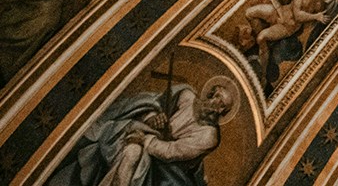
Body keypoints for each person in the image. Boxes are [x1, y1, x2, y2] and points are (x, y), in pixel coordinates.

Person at [47, 78, 236, 186]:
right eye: (216, 97)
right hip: (147, 136)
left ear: (223, 112)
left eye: (222, 105)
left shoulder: (208, 135)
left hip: (169, 170)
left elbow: (172, 152)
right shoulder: (187, 96)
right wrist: (152, 118)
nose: (216, 105)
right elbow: (155, 103)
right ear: (210, 93)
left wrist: (144, 139)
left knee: (133, 153)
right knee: (118, 130)